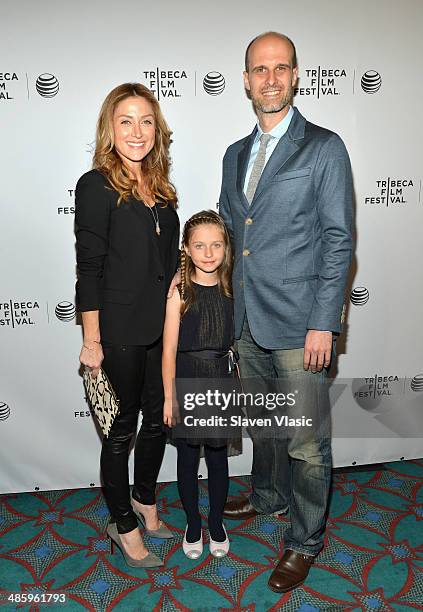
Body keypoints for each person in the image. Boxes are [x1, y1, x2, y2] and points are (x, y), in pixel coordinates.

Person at [219, 32, 353, 592]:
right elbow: (230, 235)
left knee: (304, 440)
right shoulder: (233, 154)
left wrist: (324, 320)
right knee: (266, 425)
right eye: (259, 69)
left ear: (297, 76)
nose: (270, 79)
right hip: (246, 317)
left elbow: (338, 239)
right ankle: (269, 497)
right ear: (246, 80)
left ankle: (303, 542)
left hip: (301, 323)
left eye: (281, 68)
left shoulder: (324, 147)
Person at [75, 82, 180, 568]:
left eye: (145, 122)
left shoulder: (161, 191)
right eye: (125, 121)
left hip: (159, 329)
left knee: (158, 422)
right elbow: (89, 269)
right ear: (109, 129)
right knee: (121, 430)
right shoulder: (96, 185)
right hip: (117, 332)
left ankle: (144, 498)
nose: (137, 132)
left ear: (156, 131)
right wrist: (91, 340)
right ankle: (122, 523)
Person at [162, 210, 237, 559]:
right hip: (187, 377)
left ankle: (218, 522)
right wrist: (168, 398)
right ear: (187, 250)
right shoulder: (179, 290)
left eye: (216, 245)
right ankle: (193, 523)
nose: (208, 253)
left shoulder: (230, 285)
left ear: (226, 248)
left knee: (219, 457)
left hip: (221, 379)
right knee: (188, 457)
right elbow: (168, 351)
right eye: (200, 245)